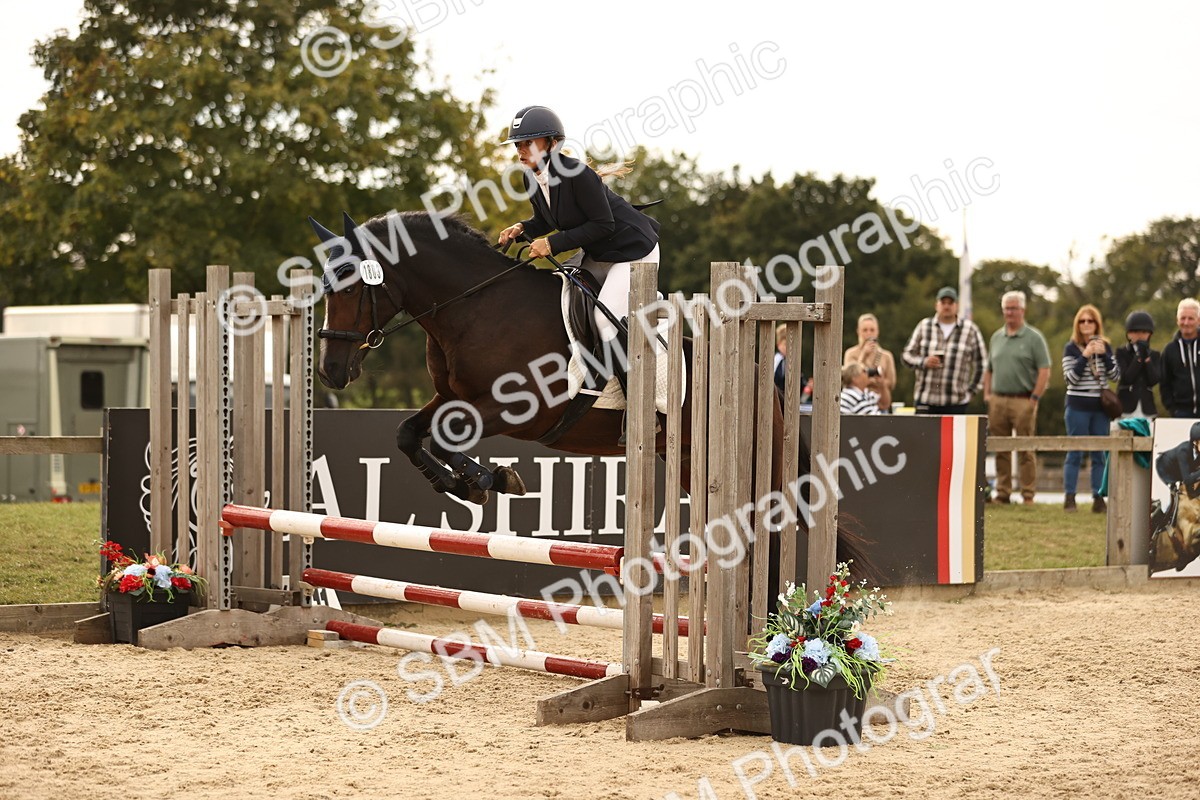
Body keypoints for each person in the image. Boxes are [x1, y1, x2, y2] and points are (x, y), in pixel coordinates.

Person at [497, 105, 660, 351]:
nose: (521, 150)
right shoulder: (531, 177)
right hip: (600, 254)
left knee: (603, 320)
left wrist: (551, 244)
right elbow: (544, 220)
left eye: (528, 143)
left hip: (634, 251)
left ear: (552, 144)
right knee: (561, 302)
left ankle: (623, 385)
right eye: (518, 145)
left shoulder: (578, 174)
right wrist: (520, 227)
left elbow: (604, 224)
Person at [983, 290, 1051, 505]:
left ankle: (1028, 494)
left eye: (1014, 308)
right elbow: (989, 369)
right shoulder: (996, 337)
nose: (1010, 312)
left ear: (1023, 310)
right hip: (998, 400)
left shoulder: (1034, 337)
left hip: (1024, 400)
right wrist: (987, 395)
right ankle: (1003, 493)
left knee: (1025, 447)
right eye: (1006, 308)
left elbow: (1045, 370)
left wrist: (1035, 398)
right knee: (1001, 448)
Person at [1061, 305, 1120, 513]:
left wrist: (1104, 355)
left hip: (1100, 408)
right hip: (1077, 406)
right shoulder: (1071, 348)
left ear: (1097, 324)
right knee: (1074, 452)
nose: (1086, 324)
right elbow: (1070, 378)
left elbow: (1115, 377)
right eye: (1083, 321)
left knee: (1099, 454)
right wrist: (1085, 355)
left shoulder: (1105, 346)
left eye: (1090, 321)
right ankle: (1070, 497)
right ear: (1077, 324)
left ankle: (1098, 497)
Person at [901, 286, 988, 414]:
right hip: (925, 400)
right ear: (936, 305)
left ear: (957, 305)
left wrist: (971, 391)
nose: (946, 306)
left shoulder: (970, 330)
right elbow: (906, 355)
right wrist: (923, 362)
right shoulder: (924, 326)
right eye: (943, 302)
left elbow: (982, 364)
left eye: (950, 303)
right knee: (923, 434)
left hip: (956, 402)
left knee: (953, 435)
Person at [843, 313, 897, 412]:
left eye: (872, 330)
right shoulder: (851, 354)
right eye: (865, 330)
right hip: (857, 404)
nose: (869, 333)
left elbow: (892, 382)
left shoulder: (886, 356)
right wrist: (863, 355)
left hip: (881, 404)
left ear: (877, 332)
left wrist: (877, 381)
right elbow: (849, 377)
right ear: (858, 331)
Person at [1115, 310, 1161, 419]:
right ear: (1128, 333)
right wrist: (1139, 356)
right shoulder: (1121, 353)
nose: (1140, 335)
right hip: (1125, 407)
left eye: (1144, 332)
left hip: (1147, 408)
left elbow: (1154, 380)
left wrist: (1147, 359)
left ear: (1150, 334)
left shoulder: (1154, 355)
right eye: (1135, 332)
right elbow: (1127, 377)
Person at [1159, 298, 1200, 418]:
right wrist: (1172, 408)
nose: (1186, 323)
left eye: (1190, 318)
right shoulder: (1169, 350)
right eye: (1183, 318)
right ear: (1177, 320)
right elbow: (1164, 383)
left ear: (1198, 320)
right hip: (1181, 413)